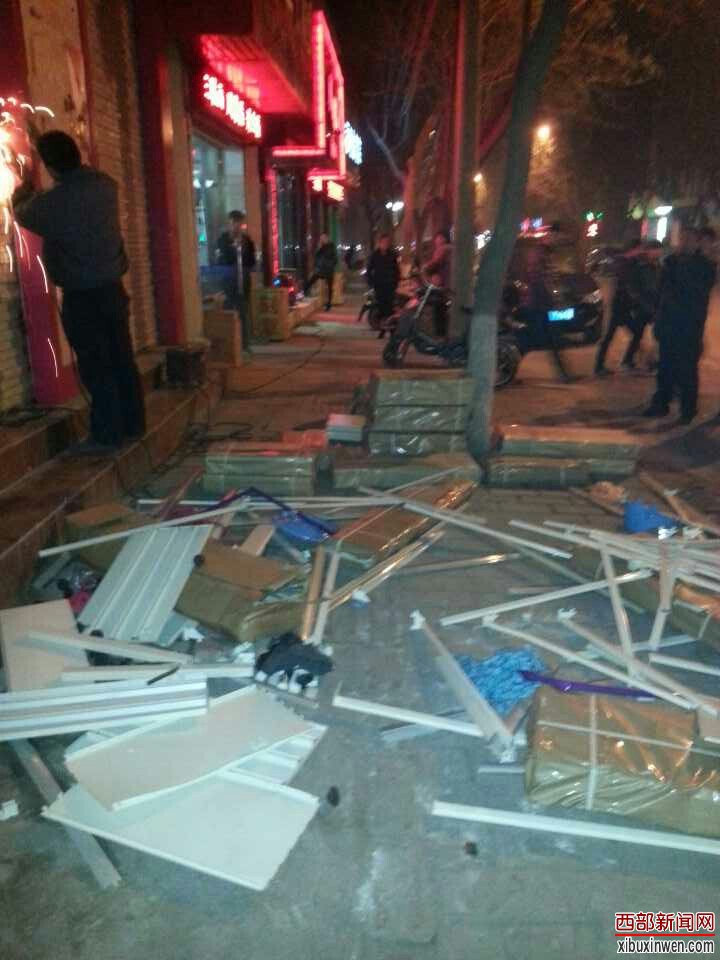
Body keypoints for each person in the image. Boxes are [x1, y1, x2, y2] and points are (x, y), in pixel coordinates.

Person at [12, 130, 145, 455]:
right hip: (112, 289)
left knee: (96, 365)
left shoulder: (55, 202)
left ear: (50, 166)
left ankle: (106, 435)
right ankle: (133, 424)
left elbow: (23, 212)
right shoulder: (105, 186)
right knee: (121, 358)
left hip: (82, 295)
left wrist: (25, 186)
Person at [643, 226, 717, 425]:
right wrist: (657, 319)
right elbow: (661, 294)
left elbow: (695, 293)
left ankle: (688, 409)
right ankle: (661, 403)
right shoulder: (671, 263)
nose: (683, 243)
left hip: (689, 327)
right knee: (665, 367)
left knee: (687, 370)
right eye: (682, 239)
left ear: (696, 243)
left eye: (688, 240)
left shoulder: (704, 266)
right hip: (668, 324)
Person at [595, 240, 661, 375]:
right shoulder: (622, 263)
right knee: (610, 336)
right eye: (639, 249)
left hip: (624, 307)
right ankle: (603, 366)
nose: (641, 251)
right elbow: (626, 285)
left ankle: (627, 362)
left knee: (635, 333)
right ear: (633, 249)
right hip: (618, 307)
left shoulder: (632, 263)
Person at [217, 210, 256, 352]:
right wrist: (233, 249)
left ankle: (244, 345)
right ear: (230, 223)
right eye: (233, 223)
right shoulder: (223, 240)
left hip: (243, 283)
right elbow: (222, 260)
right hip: (228, 282)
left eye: (239, 223)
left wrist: (244, 255)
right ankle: (230, 346)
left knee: (243, 313)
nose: (236, 226)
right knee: (228, 314)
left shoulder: (247, 241)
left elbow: (251, 261)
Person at [366, 234, 400, 338]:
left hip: (390, 285)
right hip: (379, 285)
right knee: (381, 308)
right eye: (383, 242)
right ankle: (382, 329)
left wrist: (396, 282)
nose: (385, 244)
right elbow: (369, 270)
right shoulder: (375, 255)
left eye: (387, 242)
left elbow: (396, 270)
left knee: (390, 308)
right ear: (380, 243)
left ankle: (391, 330)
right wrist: (371, 283)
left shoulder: (392, 255)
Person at [422, 230, 452, 338]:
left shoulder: (443, 249)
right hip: (448, 284)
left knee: (438, 308)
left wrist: (425, 268)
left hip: (442, 284)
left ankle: (440, 335)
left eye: (439, 238)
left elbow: (434, 264)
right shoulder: (450, 249)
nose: (436, 240)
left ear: (444, 239)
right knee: (442, 308)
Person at [304, 234, 337, 311]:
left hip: (328, 270)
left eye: (323, 238)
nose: (322, 240)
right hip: (321, 269)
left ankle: (329, 304)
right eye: (321, 239)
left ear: (327, 239)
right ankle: (304, 291)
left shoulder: (331, 247)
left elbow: (334, 258)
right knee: (312, 280)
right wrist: (319, 248)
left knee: (329, 287)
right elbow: (317, 256)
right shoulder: (322, 247)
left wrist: (330, 265)